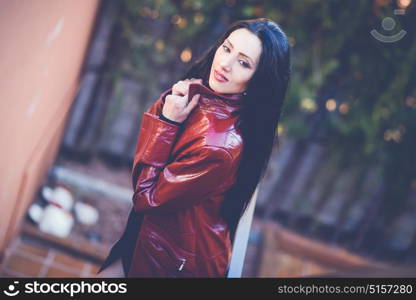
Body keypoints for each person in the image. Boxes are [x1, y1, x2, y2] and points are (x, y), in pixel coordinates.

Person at [96, 17, 291, 278]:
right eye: (227, 48)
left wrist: (167, 121)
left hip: (175, 260)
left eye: (243, 63)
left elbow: (146, 197)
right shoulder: (205, 95)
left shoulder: (218, 147)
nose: (225, 64)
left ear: (259, 80)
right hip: (156, 235)